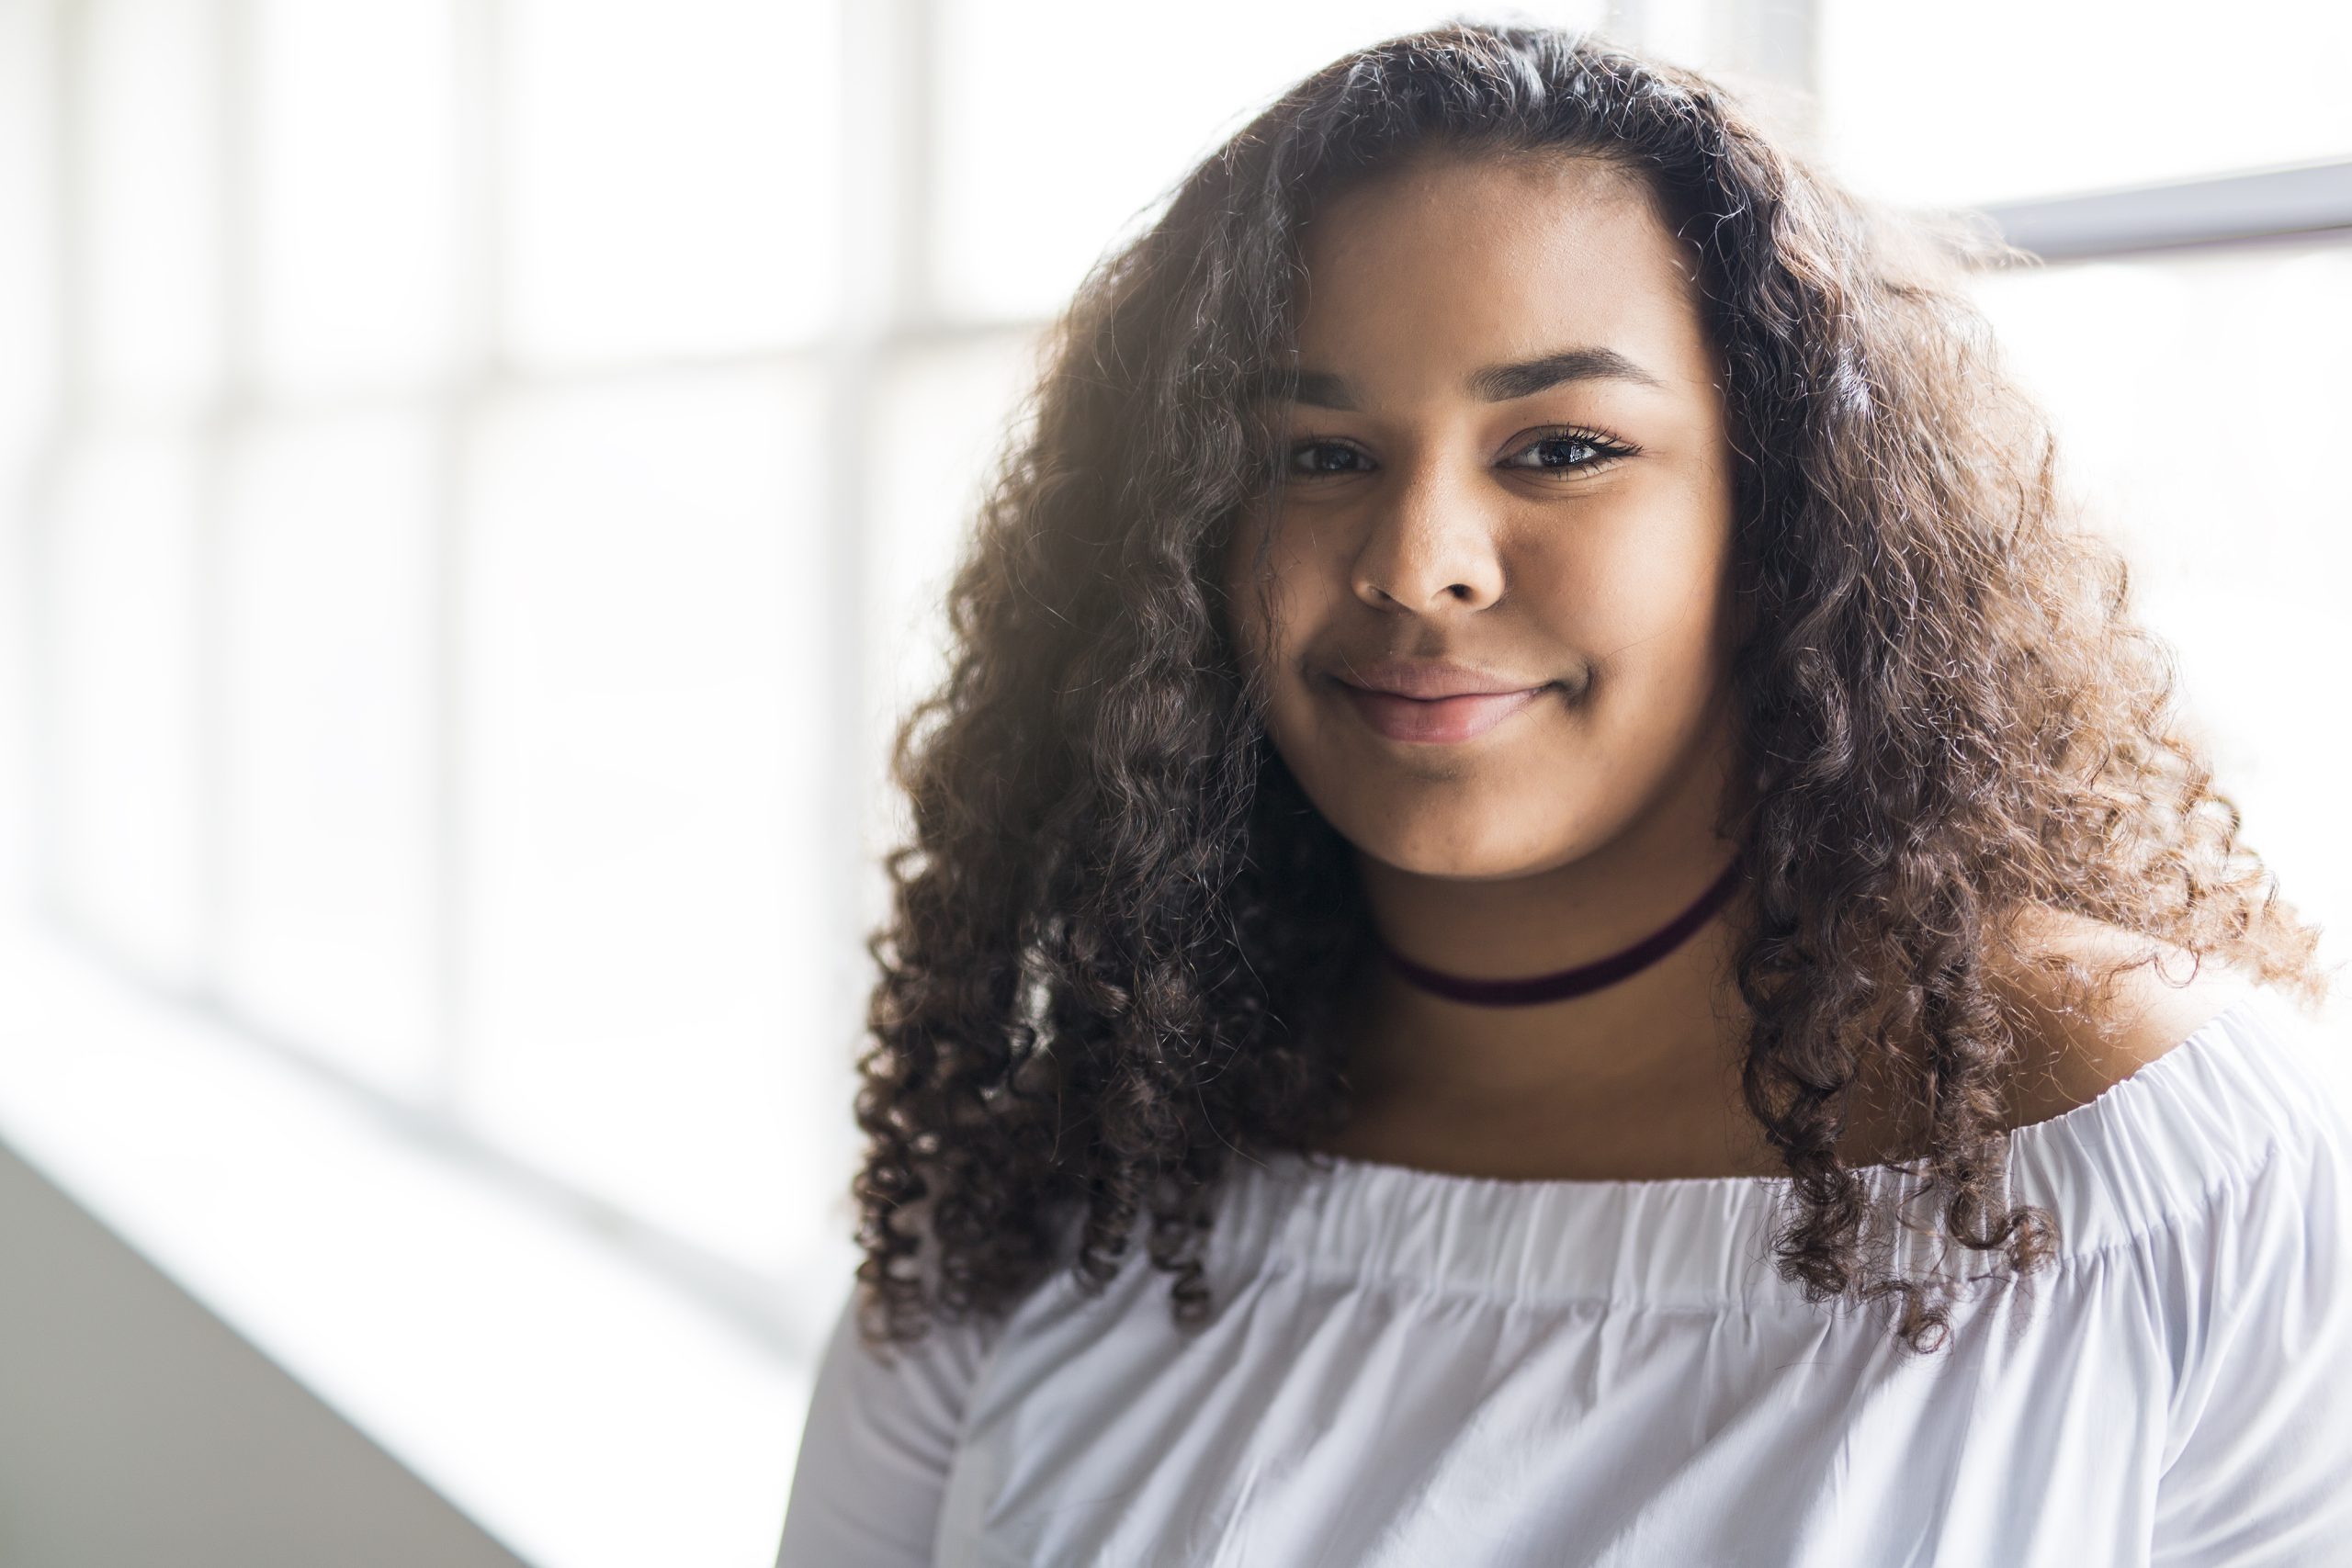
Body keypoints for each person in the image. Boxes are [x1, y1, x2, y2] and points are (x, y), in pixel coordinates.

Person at [777, 20, 2352, 1566]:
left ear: (1787, 509)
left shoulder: (2166, 1173)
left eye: (1563, 447)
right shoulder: (1041, 1195)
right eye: (1317, 457)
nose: (1417, 562)